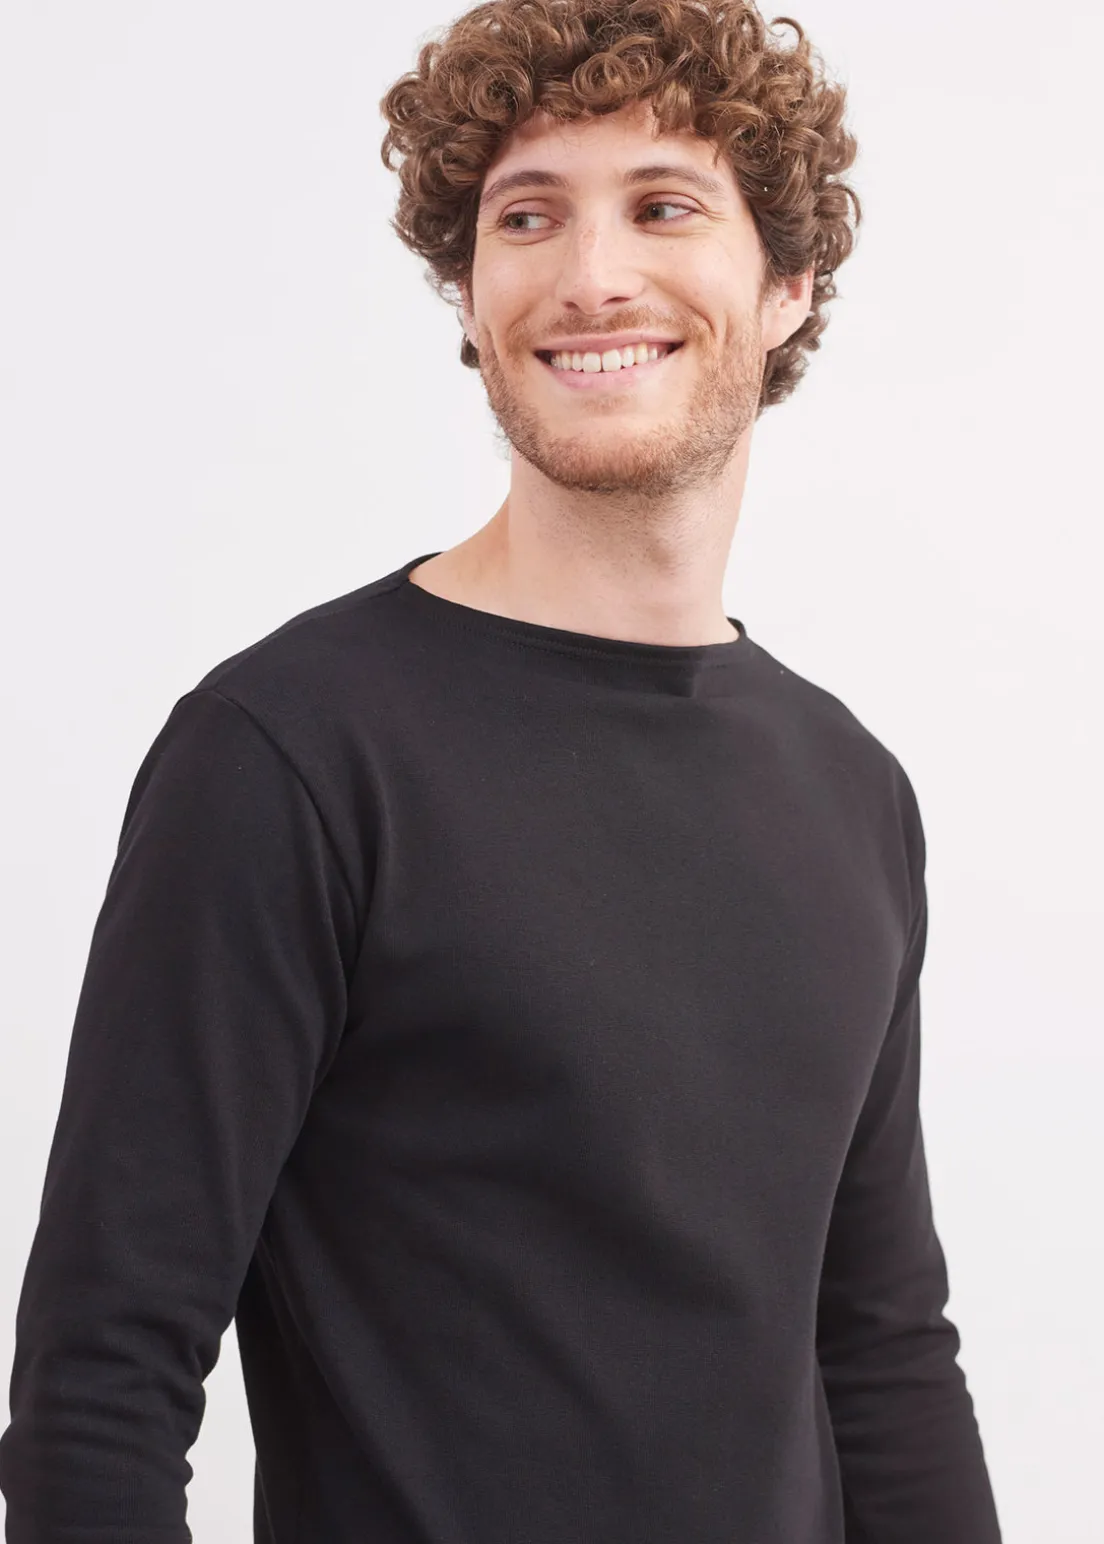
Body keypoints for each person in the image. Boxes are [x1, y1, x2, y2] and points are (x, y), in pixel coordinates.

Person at [0, 1, 1004, 1540]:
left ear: (789, 284)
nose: (591, 273)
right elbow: (101, 1386)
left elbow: (880, 1353)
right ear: (470, 296)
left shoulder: (852, 790)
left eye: (663, 205)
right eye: (527, 217)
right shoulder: (290, 756)